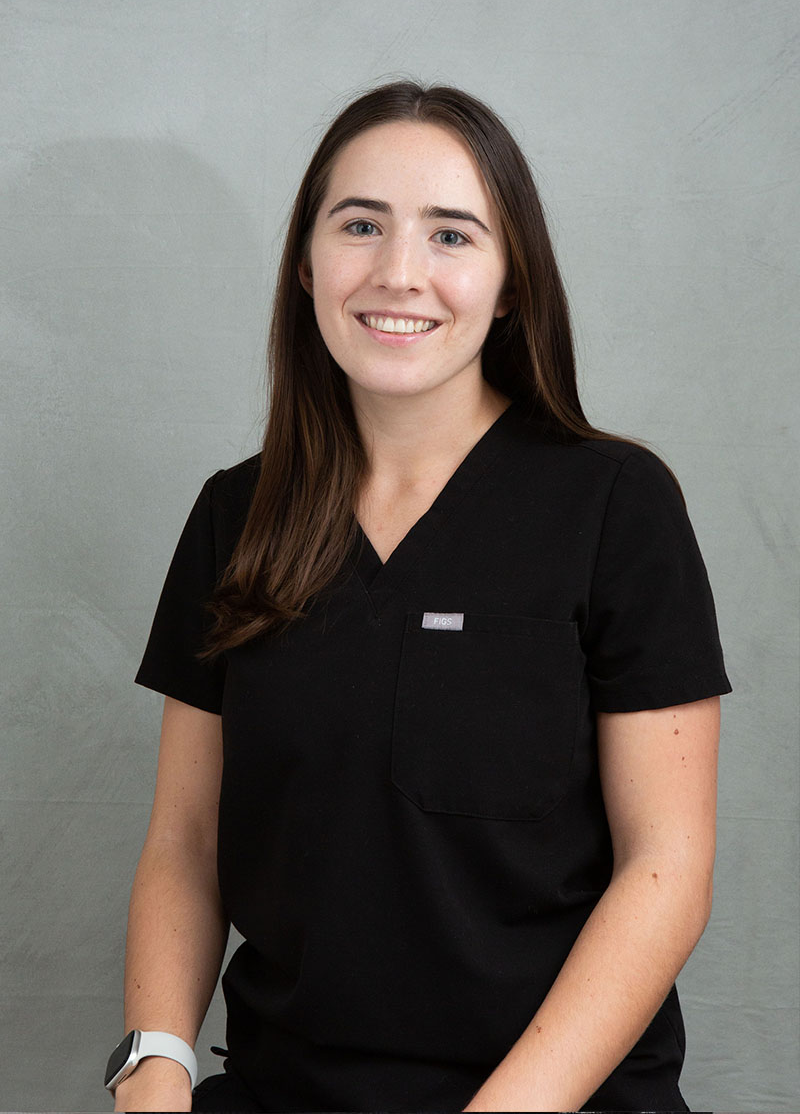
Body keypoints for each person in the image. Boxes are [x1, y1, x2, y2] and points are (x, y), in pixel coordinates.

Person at [108, 80, 732, 1113]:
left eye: (451, 235)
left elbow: (665, 866)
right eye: (360, 225)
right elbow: (186, 841)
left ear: (510, 283)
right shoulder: (236, 513)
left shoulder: (615, 506)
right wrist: (155, 1067)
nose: (398, 273)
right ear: (305, 265)